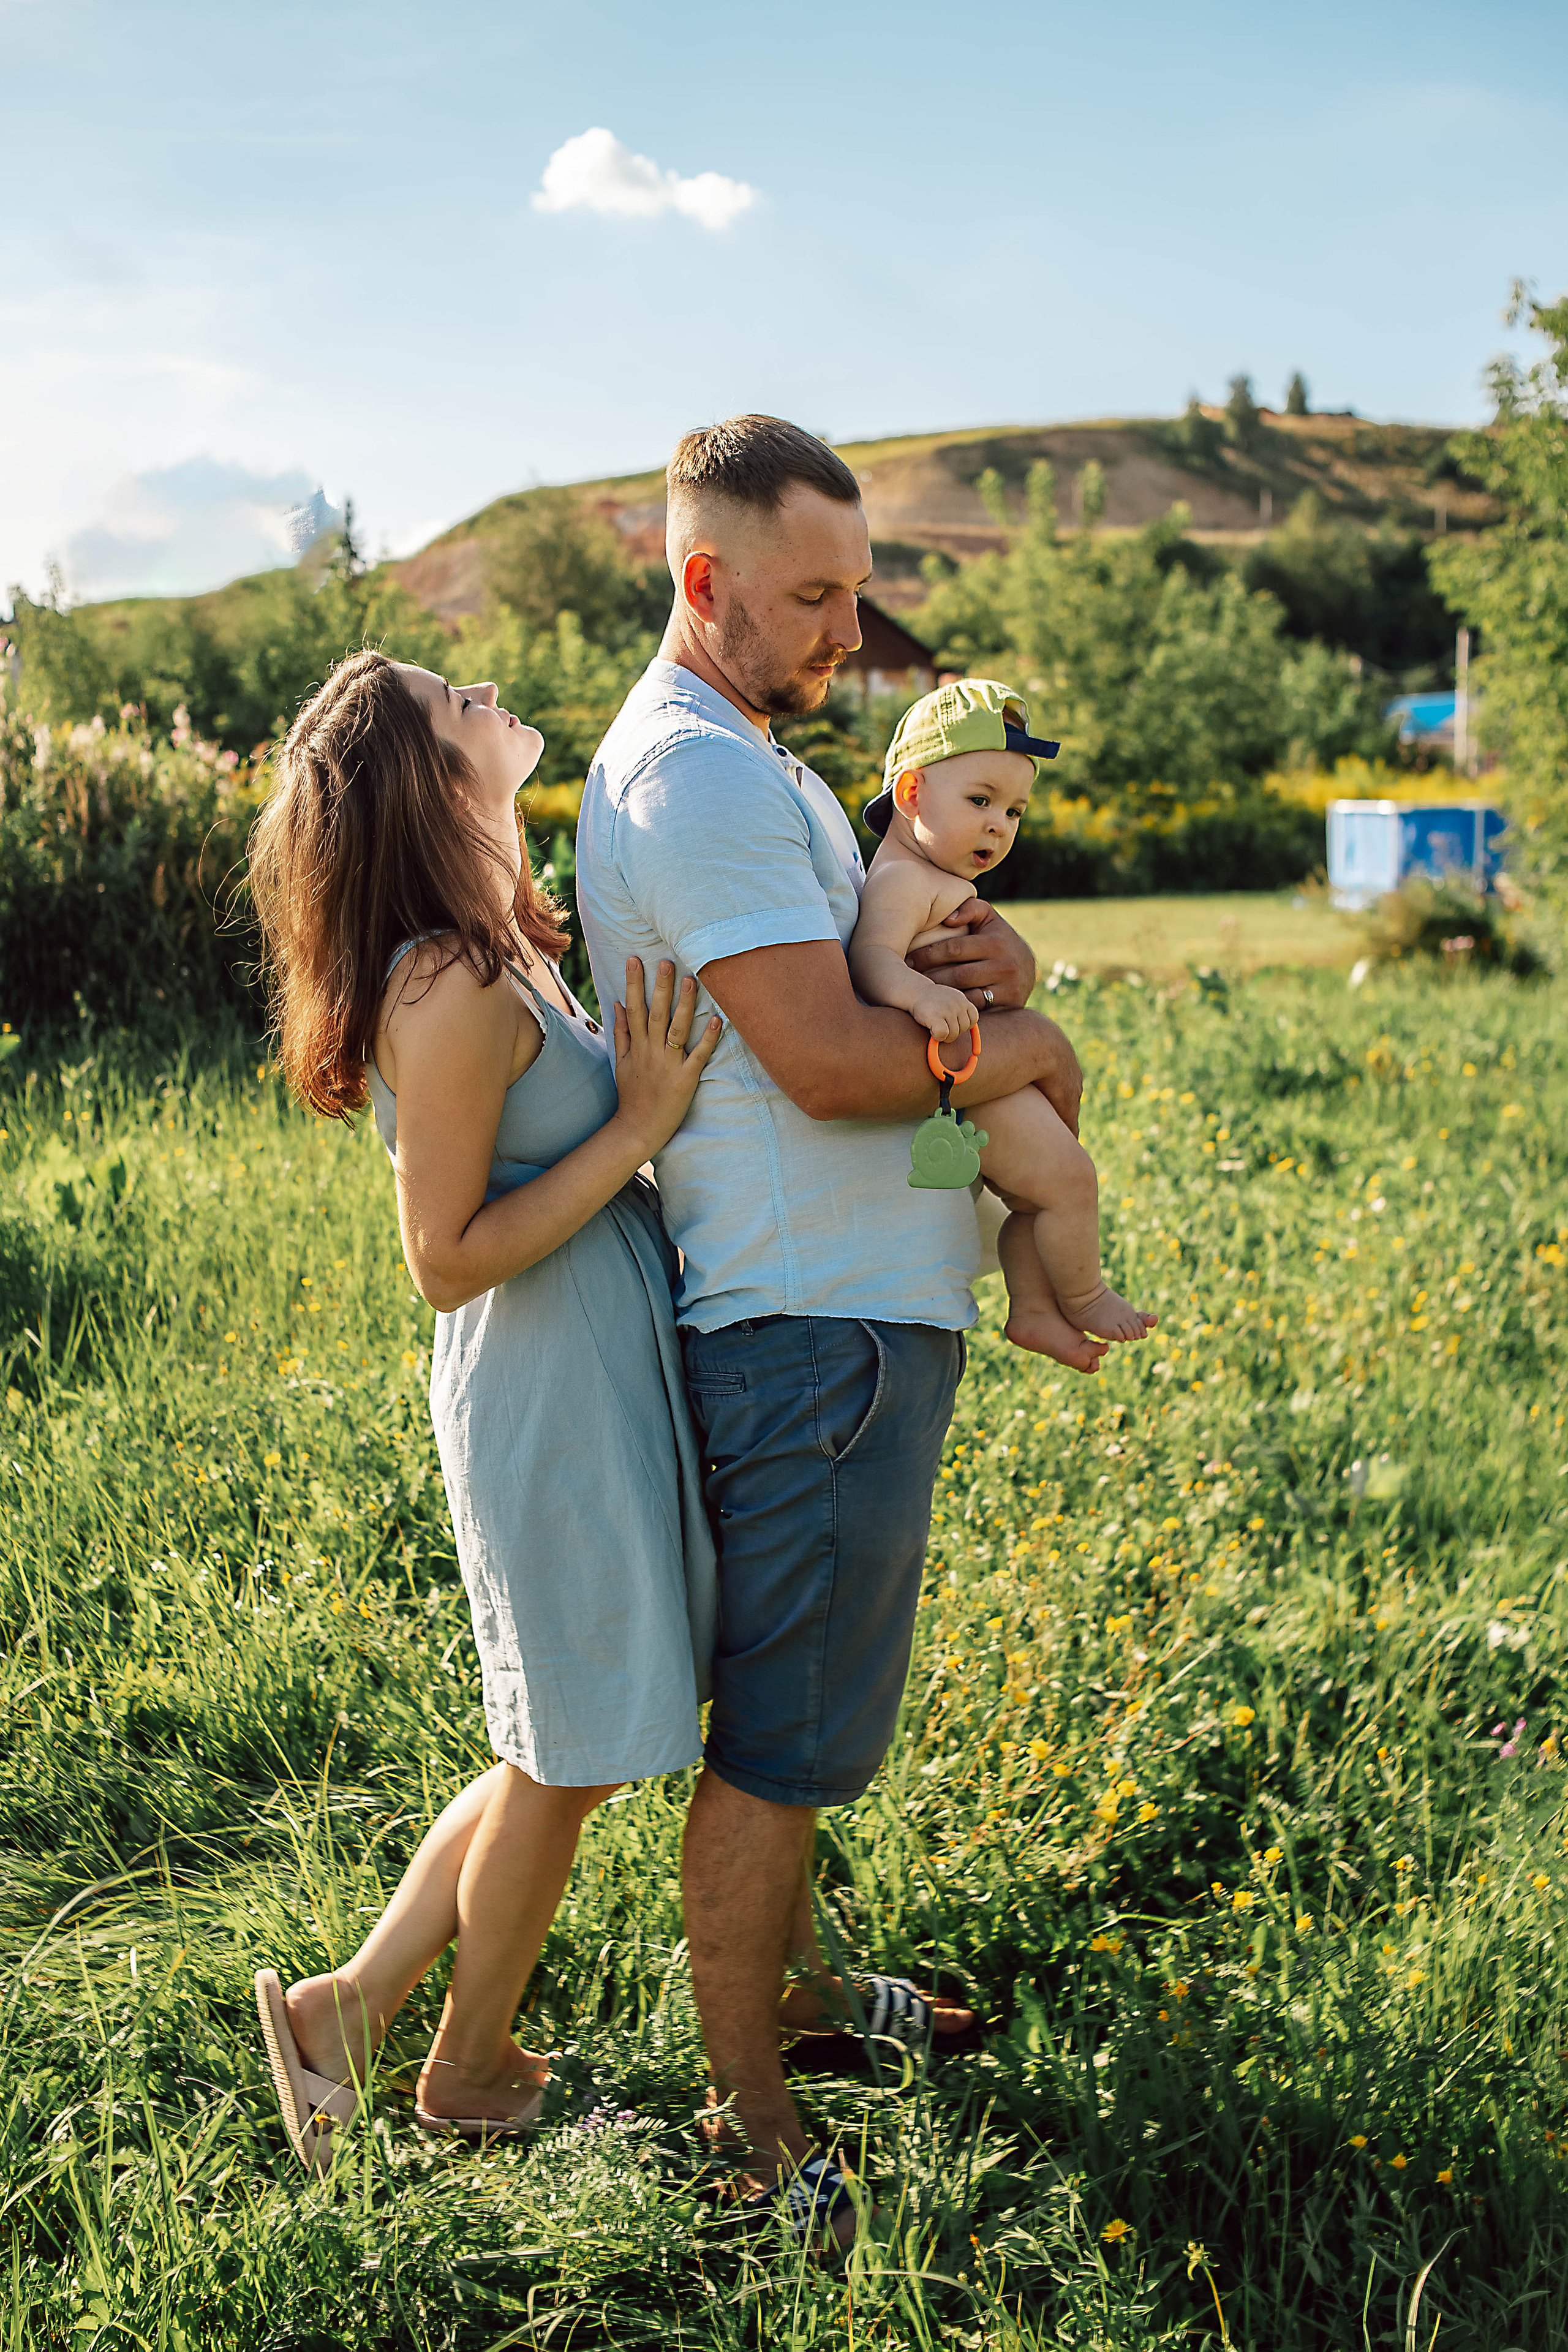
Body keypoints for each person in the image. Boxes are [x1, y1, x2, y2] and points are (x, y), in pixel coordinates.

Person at [575, 415, 1086, 2235]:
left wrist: (987, 971)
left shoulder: (764, 767)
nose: (844, 632)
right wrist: (1023, 1055)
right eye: (808, 594)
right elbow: (819, 1060)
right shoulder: (697, 780)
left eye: (858, 590)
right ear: (701, 583)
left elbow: (886, 989)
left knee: (813, 1713)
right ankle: (748, 2118)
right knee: (780, 1738)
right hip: (811, 1327)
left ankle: (792, 2000)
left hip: (860, 1317)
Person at [247, 649, 722, 2171]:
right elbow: (443, 1259)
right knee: (565, 1751)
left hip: (587, 1366)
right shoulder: (444, 985)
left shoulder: (492, 945)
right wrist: (639, 1124)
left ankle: (350, 2011)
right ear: (425, 777)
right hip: (542, 1381)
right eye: (454, 697)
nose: (488, 691)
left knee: (551, 1738)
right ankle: (463, 2067)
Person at [851, 677, 1156, 1374]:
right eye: (980, 801)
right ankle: (1082, 1294)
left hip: (983, 1074)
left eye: (1014, 811)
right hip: (976, 1080)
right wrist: (920, 998)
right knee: (1068, 1183)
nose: (999, 825)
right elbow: (870, 959)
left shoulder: (923, 871)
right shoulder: (901, 880)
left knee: (1032, 1200)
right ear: (910, 795)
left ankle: (1034, 1312)